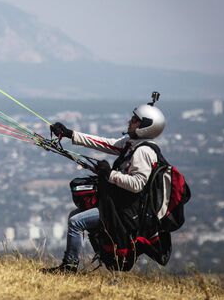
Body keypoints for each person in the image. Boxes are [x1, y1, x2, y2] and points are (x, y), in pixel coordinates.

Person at [43, 101, 166, 273]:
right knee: (75, 216)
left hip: (125, 212)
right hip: (118, 205)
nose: (130, 121)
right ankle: (71, 264)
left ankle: (69, 268)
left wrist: (110, 174)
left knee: (75, 221)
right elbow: (105, 143)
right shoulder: (132, 144)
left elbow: (138, 184)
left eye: (135, 120)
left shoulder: (143, 152)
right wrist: (70, 134)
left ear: (145, 126)